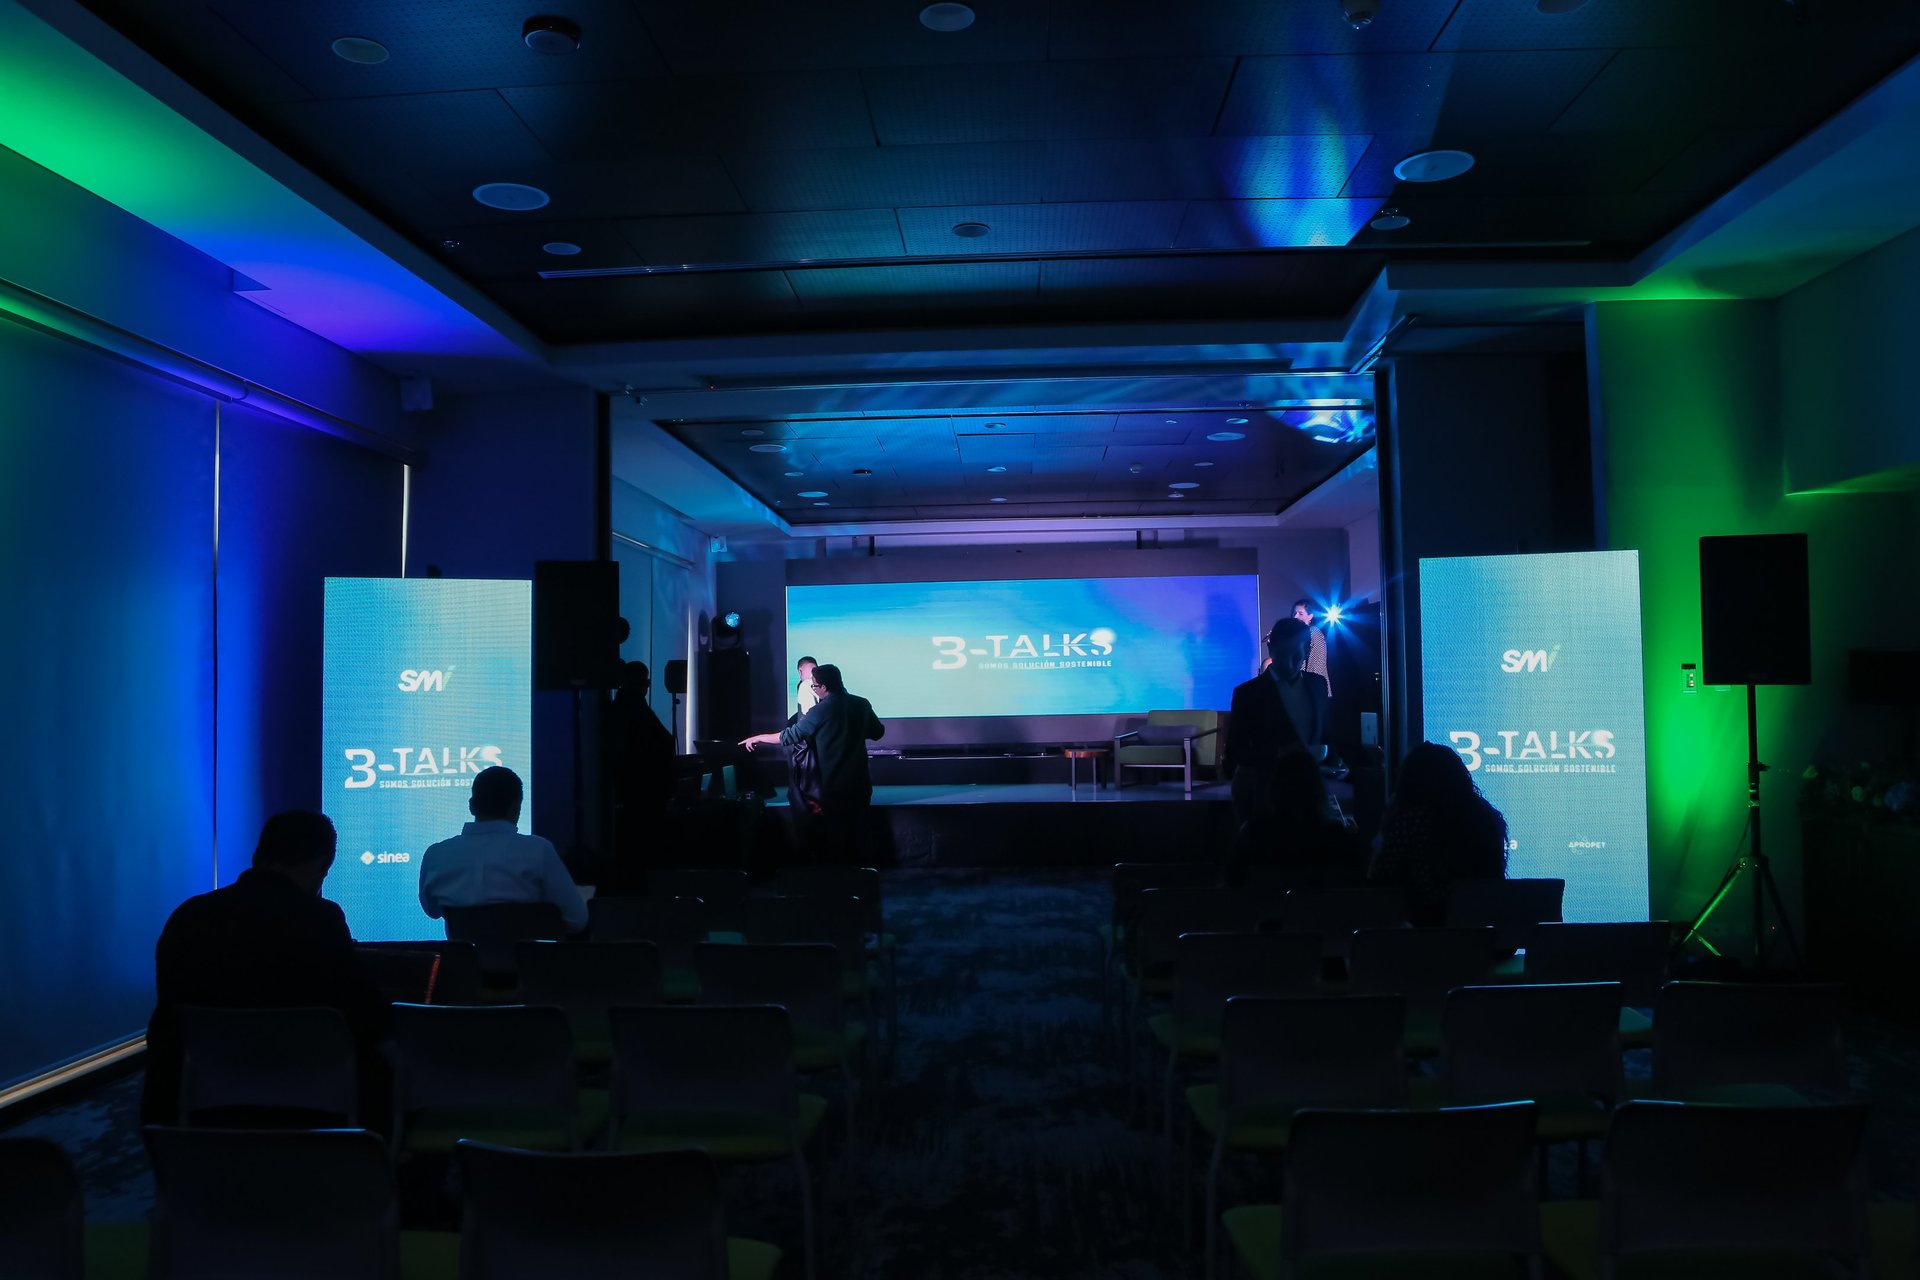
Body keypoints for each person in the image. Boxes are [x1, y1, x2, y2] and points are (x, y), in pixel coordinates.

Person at [142, 811, 391, 1125]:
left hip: (196, 1109)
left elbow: (168, 1018)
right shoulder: (320, 919)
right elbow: (366, 1015)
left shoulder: (188, 916)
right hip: (309, 1107)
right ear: (319, 864)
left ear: (258, 855)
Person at [418, 766, 588, 934]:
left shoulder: (435, 855)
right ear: (517, 808)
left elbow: (432, 911)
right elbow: (578, 919)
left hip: (463, 954)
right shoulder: (539, 850)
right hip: (525, 953)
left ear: (472, 806)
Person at [741, 662, 883, 859]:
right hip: (861, 783)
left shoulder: (821, 710)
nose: (814, 689)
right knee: (860, 835)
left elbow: (789, 736)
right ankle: (864, 874)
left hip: (833, 785)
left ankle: (839, 875)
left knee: (837, 840)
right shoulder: (862, 704)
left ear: (824, 686)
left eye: (814, 686)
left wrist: (758, 737)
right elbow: (878, 732)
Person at [1369, 741, 1509, 924]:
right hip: (1483, 930)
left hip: (1429, 932)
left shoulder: (1413, 819)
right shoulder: (1486, 816)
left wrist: (1385, 825)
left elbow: (1379, 880)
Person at [1225, 618, 1329, 828]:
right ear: (1271, 649)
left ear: (1307, 652)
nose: (1290, 664)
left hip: (1309, 791)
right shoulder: (1247, 693)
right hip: (1263, 793)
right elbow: (1234, 752)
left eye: (1296, 656)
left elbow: (1326, 732)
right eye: (1283, 655)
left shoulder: (1318, 685)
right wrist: (1278, 754)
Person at [1227, 747, 1358, 886]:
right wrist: (1353, 838)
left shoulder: (1254, 834)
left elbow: (1231, 880)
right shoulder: (1335, 837)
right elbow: (1354, 880)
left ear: (1275, 787)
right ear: (1318, 790)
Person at [1293, 599, 1332, 699]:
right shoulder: (1298, 636)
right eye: (1295, 613)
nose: (1295, 616)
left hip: (1313, 692)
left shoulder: (1314, 633)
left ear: (1310, 616)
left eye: (1300, 613)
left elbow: (1317, 665)